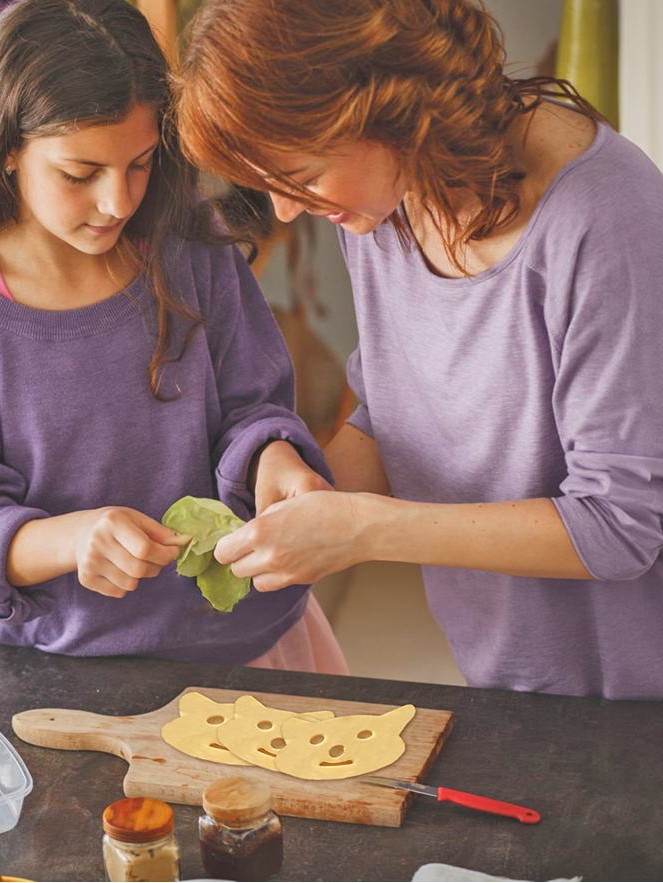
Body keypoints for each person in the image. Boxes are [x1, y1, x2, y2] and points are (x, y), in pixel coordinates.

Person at [176, 0, 663, 698]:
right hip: (500, 678)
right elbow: (398, 411)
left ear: (381, 104)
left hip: (634, 706)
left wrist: (369, 532)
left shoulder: (606, 217)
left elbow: (620, 527)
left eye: (302, 174)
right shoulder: (382, 205)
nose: (286, 210)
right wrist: (309, 492)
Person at [0, 0, 347, 671]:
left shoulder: (188, 241)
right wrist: (73, 539)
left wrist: (277, 461)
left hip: (253, 647)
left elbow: (252, 409)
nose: (118, 201)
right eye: (80, 174)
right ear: (7, 150)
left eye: (141, 163)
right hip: (69, 671)